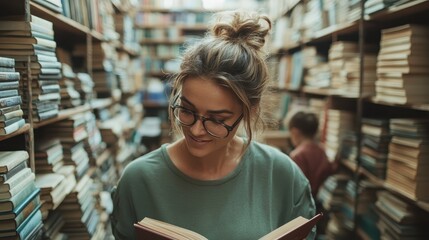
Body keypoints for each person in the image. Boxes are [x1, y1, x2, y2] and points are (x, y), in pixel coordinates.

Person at [111, 10, 316, 240]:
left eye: (217, 120)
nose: (196, 130)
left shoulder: (282, 176)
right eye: (187, 110)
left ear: (250, 111)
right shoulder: (138, 180)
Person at [287, 111, 334, 198]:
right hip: (321, 200)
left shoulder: (297, 155)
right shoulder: (322, 150)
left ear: (294, 132)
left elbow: (295, 188)